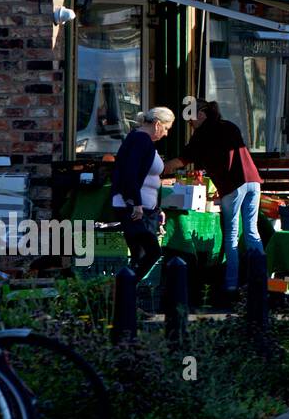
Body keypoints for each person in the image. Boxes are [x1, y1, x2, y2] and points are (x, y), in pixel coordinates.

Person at [165, 100, 263, 300]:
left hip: (233, 187)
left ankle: (230, 285)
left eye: (191, 119)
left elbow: (182, 160)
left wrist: (161, 167)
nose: (190, 124)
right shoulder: (229, 126)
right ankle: (260, 282)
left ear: (201, 115)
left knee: (231, 236)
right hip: (253, 182)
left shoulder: (203, 133)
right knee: (252, 233)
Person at [111, 107, 175, 282]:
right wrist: (136, 203)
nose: (166, 134)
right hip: (132, 207)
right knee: (153, 252)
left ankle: (125, 296)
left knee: (140, 254)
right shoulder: (141, 140)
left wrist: (156, 207)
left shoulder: (141, 139)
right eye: (167, 128)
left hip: (141, 206)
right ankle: (120, 289)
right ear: (157, 124)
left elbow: (144, 177)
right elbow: (130, 173)